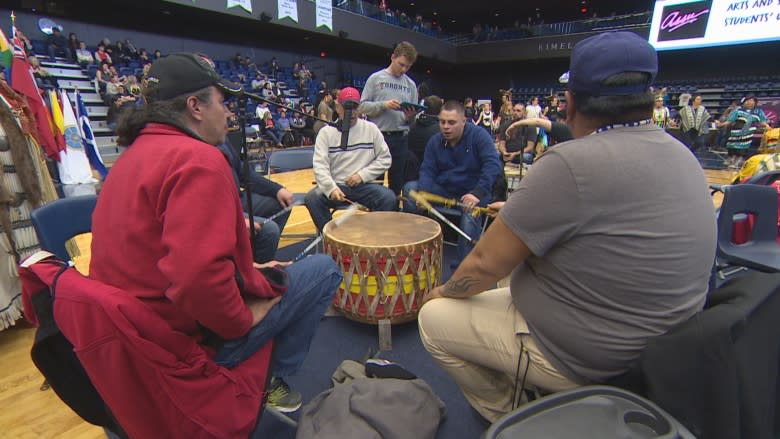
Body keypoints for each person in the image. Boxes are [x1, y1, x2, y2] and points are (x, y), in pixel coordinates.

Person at [416, 32, 716, 423]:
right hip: (666, 348)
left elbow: (482, 268)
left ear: (570, 103)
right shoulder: (683, 153)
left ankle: (515, 415)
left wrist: (438, 291)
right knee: (513, 275)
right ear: (650, 98)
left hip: (589, 357)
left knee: (435, 318)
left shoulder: (569, 163)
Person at [88, 53, 342, 419]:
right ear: (195, 106)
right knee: (323, 270)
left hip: (132, 340)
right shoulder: (199, 160)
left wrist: (249, 270)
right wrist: (245, 317)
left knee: (269, 267)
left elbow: (164, 256)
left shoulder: (129, 159)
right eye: (222, 102)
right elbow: (195, 281)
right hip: (183, 347)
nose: (229, 113)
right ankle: (270, 381)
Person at [402, 100, 502, 270]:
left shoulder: (479, 136)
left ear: (464, 121)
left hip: (473, 192)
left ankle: (463, 269)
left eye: (451, 122)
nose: (445, 127)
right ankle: (417, 252)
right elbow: (427, 169)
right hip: (445, 190)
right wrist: (423, 193)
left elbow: (493, 166)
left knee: (470, 216)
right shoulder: (435, 141)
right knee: (410, 189)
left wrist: (477, 193)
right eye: (442, 122)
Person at [305, 87, 397, 233]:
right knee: (312, 198)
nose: (351, 112)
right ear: (338, 107)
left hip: (364, 186)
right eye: (346, 107)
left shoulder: (371, 129)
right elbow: (320, 166)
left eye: (354, 107)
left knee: (389, 198)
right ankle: (333, 237)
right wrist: (331, 188)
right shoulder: (326, 133)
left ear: (359, 107)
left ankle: (376, 237)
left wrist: (362, 176)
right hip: (336, 186)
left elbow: (385, 159)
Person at [359, 41, 419, 195]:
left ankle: (393, 216)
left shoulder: (411, 85)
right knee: (374, 183)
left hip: (400, 138)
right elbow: (362, 107)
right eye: (401, 64)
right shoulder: (376, 78)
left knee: (397, 183)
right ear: (393, 57)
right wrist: (384, 105)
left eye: (408, 67)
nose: (403, 69)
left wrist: (410, 117)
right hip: (377, 137)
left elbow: (412, 121)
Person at [406, 95, 443, 181]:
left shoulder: (410, 128)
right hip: (434, 179)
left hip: (411, 178)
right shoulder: (442, 132)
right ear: (441, 110)